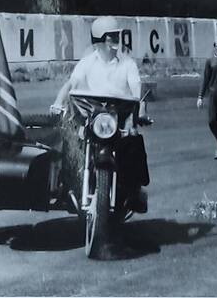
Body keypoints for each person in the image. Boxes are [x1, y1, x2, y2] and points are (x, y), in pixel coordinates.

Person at [51, 16, 149, 211]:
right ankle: (66, 187)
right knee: (71, 143)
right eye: (111, 37)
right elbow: (72, 84)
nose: (115, 42)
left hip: (118, 117)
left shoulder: (128, 64)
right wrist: (58, 101)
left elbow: (138, 93)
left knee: (133, 142)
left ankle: (133, 191)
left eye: (116, 37)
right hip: (92, 116)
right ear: (100, 40)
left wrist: (141, 113)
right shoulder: (87, 62)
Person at [197, 35, 217, 159]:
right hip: (213, 94)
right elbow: (205, 79)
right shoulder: (210, 61)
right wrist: (200, 96)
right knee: (212, 121)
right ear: (214, 46)